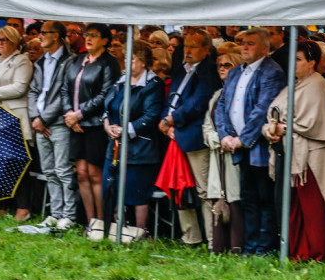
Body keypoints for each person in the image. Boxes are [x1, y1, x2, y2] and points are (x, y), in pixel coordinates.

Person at [263, 40, 325, 261]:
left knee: (312, 208)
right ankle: (298, 252)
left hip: (311, 158)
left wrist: (282, 127)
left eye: (298, 60)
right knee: (294, 206)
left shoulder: (317, 84)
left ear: (312, 63)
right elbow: (275, 111)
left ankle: (316, 254)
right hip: (292, 154)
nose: (292, 64)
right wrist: (272, 127)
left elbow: (311, 124)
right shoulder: (295, 84)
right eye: (292, 59)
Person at [214, 27, 286, 255]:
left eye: (251, 43)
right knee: (248, 198)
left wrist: (242, 140)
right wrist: (224, 135)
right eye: (243, 43)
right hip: (238, 145)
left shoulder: (271, 71)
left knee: (264, 198)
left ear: (265, 48)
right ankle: (250, 245)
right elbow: (222, 106)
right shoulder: (235, 73)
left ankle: (264, 247)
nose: (244, 46)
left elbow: (261, 110)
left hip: (259, 147)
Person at [159, 31, 220, 247]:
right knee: (179, 185)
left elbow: (199, 101)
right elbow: (172, 99)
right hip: (176, 134)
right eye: (186, 46)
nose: (188, 50)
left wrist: (171, 119)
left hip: (194, 136)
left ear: (206, 49)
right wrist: (165, 121)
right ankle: (191, 237)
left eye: (194, 46)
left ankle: (213, 240)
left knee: (203, 190)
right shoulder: (180, 70)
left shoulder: (209, 70)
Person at [102, 41, 165, 231]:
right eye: (127, 57)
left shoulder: (153, 85)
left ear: (143, 62)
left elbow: (151, 115)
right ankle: (114, 230)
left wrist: (126, 130)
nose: (127, 61)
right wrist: (106, 124)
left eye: (133, 58)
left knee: (137, 194)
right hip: (114, 147)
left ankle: (139, 232)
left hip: (140, 150)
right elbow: (108, 105)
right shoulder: (121, 80)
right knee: (111, 188)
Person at [61, 23, 120, 225]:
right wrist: (69, 114)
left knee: (95, 174)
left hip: (94, 124)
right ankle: (90, 220)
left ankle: (101, 222)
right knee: (82, 173)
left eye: (94, 35)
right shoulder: (76, 60)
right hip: (75, 124)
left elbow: (105, 94)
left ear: (105, 40)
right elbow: (64, 89)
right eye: (87, 35)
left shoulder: (109, 63)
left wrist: (79, 114)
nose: (88, 38)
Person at [0, 25, 34, 220]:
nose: (0, 43)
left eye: (5, 40)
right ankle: (1, 205)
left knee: (17, 162)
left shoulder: (22, 61)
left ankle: (23, 207)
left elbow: (19, 88)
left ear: (15, 42)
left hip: (14, 117)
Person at [29, 22, 76, 230]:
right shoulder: (41, 61)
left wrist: (44, 119)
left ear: (56, 36)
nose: (40, 36)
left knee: (63, 170)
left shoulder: (70, 61)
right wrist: (35, 117)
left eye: (44, 33)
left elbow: (64, 94)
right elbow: (33, 91)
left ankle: (69, 215)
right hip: (40, 123)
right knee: (49, 171)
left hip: (57, 123)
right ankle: (55, 213)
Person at [203, 52, 245, 253]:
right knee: (217, 198)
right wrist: (217, 140)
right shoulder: (216, 96)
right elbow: (207, 127)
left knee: (235, 200)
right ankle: (218, 249)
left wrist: (231, 142)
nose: (221, 68)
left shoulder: (242, 94)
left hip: (235, 155)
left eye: (227, 65)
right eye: (220, 64)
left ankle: (236, 248)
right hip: (216, 154)